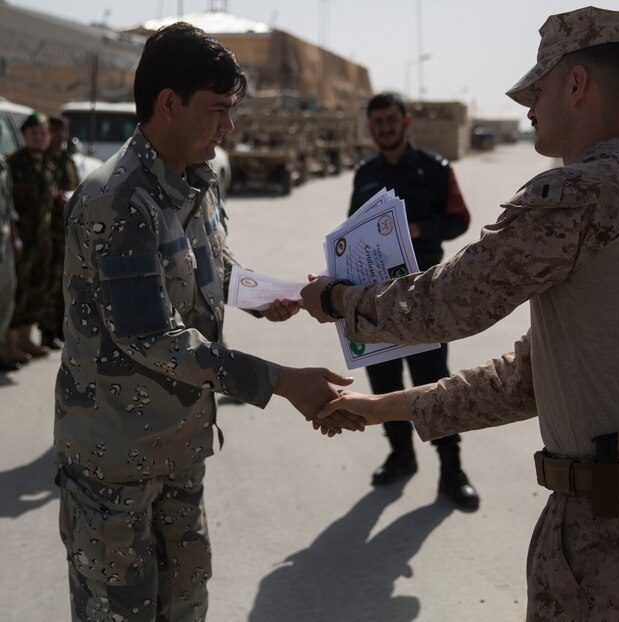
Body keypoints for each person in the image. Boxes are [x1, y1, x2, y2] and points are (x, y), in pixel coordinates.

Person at [303, 7, 619, 619]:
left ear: (576, 86)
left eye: (539, 89)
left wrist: (339, 301)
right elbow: (524, 381)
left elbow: (451, 303)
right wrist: (380, 408)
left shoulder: (585, 191)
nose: (529, 108)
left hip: (618, 523)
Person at [54, 22, 361, 622]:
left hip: (178, 447)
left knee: (186, 605)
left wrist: (265, 294)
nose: (229, 127)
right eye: (218, 110)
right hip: (114, 462)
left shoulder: (195, 183)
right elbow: (151, 335)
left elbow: (209, 266)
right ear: (169, 104)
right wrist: (279, 381)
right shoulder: (116, 199)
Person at [348, 91, 478, 510]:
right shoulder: (364, 174)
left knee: (433, 385)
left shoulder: (436, 170)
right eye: (378, 122)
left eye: (391, 119)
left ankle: (451, 468)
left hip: (425, 295)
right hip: (377, 297)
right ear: (370, 128)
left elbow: (460, 219)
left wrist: (421, 230)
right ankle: (401, 455)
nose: (385, 127)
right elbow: (351, 232)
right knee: (384, 384)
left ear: (405, 122)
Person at [6, 111, 58, 358]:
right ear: (24, 135)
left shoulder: (49, 165)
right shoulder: (13, 164)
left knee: (39, 287)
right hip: (20, 239)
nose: (39, 138)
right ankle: (9, 341)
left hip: (43, 239)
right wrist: (14, 237)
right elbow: (8, 206)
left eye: (43, 133)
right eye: (34, 133)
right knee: (17, 289)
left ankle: (26, 337)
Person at [40, 115, 79, 350]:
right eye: (56, 131)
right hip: (45, 230)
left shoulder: (67, 161)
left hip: (65, 230)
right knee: (47, 281)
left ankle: (59, 328)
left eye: (64, 131)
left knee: (64, 281)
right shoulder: (43, 161)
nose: (60, 136)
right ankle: (45, 331)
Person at [0, 130, 27, 371]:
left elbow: (8, 205)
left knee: (6, 296)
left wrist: (15, 238)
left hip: (4, 243)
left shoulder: (2, 165)